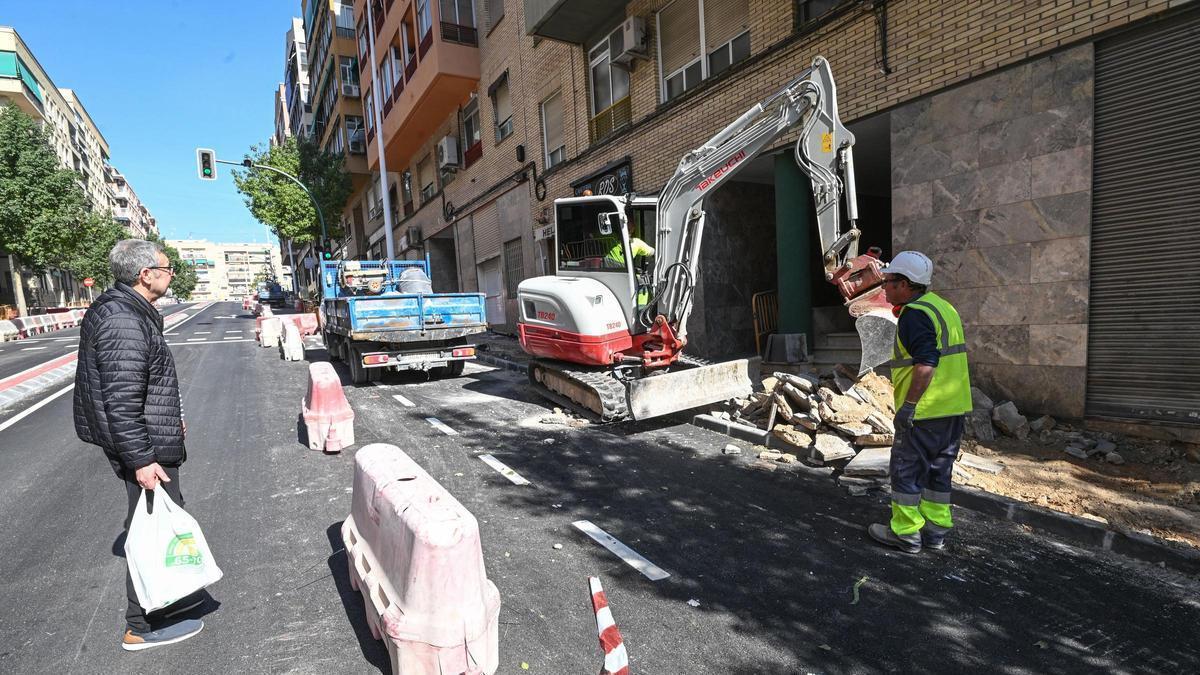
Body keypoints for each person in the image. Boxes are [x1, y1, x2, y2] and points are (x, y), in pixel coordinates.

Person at [73, 239, 205, 650]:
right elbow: (122, 399)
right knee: (149, 530)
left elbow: (140, 387)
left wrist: (170, 419)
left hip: (149, 437)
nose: (171, 275)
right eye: (167, 269)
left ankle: (163, 604)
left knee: (157, 520)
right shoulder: (123, 321)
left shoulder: (126, 311)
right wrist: (142, 459)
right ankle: (140, 625)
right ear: (146, 275)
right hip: (145, 447)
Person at [867, 251, 972, 554]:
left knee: (906, 470)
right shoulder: (944, 307)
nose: (884, 288)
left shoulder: (915, 314)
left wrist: (909, 406)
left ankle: (905, 533)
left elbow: (926, 363)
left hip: (924, 412)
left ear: (904, 284)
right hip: (952, 409)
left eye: (888, 282)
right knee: (939, 471)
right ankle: (935, 532)